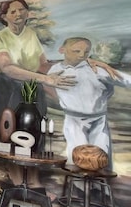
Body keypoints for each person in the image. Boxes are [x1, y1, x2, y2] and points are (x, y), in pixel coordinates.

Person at [0, 0, 76, 145]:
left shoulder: (31, 34)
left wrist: (67, 67)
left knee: (35, 132)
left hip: (32, 86)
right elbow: (7, 68)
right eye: (12, 11)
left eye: (21, 10)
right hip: (6, 87)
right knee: (6, 132)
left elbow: (43, 65)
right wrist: (44, 79)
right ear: (4, 17)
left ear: (27, 13)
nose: (18, 14)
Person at [48, 37, 131, 169]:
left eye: (86, 52)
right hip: (73, 120)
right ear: (62, 50)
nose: (81, 55)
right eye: (76, 51)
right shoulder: (54, 70)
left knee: (101, 158)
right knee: (77, 157)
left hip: (98, 120)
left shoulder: (96, 70)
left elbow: (125, 79)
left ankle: (100, 188)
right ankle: (78, 188)